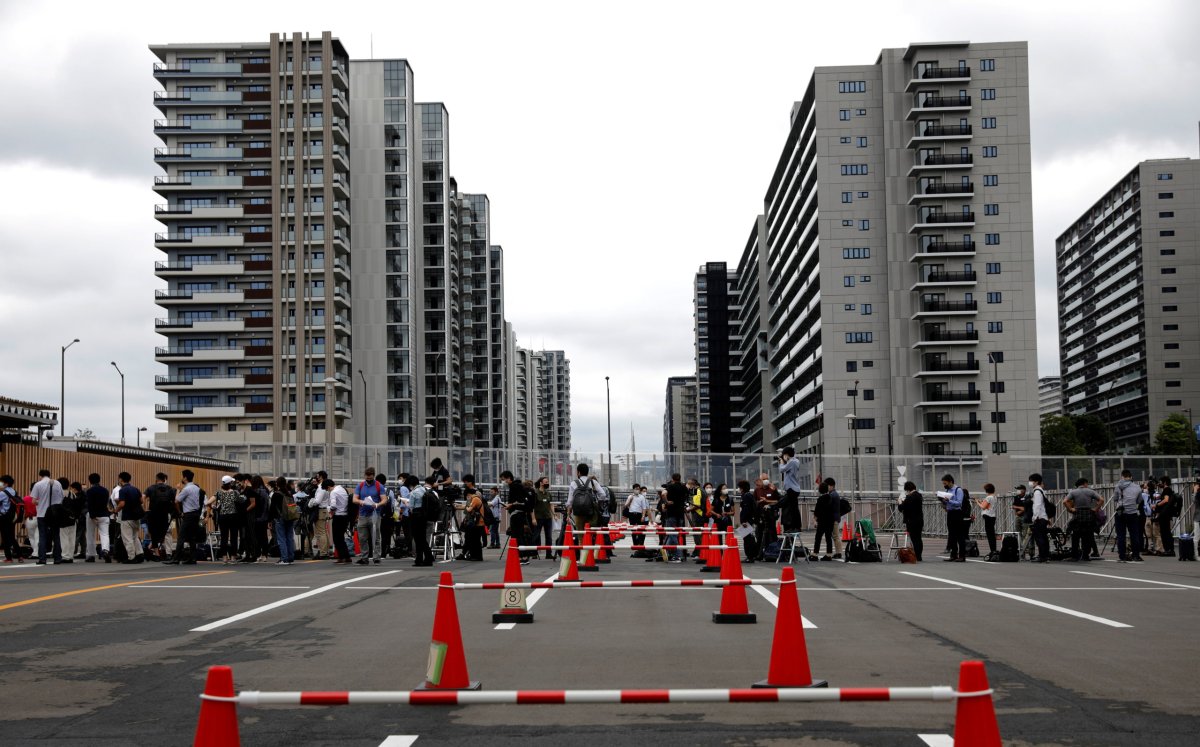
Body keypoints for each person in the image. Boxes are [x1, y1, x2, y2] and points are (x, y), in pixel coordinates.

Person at [166, 470, 203, 565]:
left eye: (183, 477)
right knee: (192, 537)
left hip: (188, 514)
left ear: (185, 478)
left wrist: (178, 489)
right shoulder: (196, 488)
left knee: (181, 536)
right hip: (195, 514)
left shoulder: (186, 489)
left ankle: (176, 558)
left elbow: (176, 500)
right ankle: (192, 558)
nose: (182, 478)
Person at [500, 471, 534, 564]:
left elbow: (519, 501)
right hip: (521, 513)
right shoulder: (519, 486)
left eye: (503, 480)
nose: (504, 482)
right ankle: (521, 556)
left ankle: (522, 557)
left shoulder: (514, 486)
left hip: (516, 513)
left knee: (516, 535)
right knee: (519, 535)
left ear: (508, 478)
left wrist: (510, 505)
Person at [1064, 477, 1101, 562]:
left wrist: (1071, 509)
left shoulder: (1073, 492)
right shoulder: (1090, 491)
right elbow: (1101, 499)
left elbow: (1065, 501)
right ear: (1085, 483)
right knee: (1087, 537)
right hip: (1088, 516)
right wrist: (1095, 509)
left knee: (1076, 536)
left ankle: (1075, 556)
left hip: (1078, 516)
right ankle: (1085, 556)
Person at [353, 467, 384, 565]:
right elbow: (354, 499)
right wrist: (361, 501)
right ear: (364, 476)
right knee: (362, 538)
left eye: (370, 478)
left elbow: (384, 499)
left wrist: (378, 504)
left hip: (375, 515)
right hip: (362, 515)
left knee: (376, 537)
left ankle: (376, 557)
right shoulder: (360, 485)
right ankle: (364, 557)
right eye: (367, 478)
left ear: (373, 476)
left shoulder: (379, 486)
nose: (369, 480)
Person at [1112, 469, 1144, 562]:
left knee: (1121, 535)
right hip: (1133, 513)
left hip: (1120, 513)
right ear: (1131, 477)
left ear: (1122, 476)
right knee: (1134, 535)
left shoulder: (1118, 486)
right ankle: (1136, 555)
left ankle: (1122, 556)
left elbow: (1115, 499)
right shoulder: (1137, 487)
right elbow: (1139, 500)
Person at [143, 473, 176, 562]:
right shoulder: (170, 489)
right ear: (165, 479)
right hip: (165, 514)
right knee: (165, 533)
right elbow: (175, 501)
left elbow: (143, 497)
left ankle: (156, 554)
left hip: (153, 514)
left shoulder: (151, 488)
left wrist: (145, 509)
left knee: (153, 534)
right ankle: (165, 553)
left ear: (156, 479)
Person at [113, 471, 143, 564]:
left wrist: (115, 511)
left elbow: (122, 503)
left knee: (127, 538)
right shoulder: (136, 489)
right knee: (135, 537)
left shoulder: (123, 490)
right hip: (137, 517)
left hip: (127, 517)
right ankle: (140, 554)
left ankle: (131, 557)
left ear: (121, 479)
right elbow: (141, 501)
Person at [937, 474, 967, 562]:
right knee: (952, 534)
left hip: (957, 513)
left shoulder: (958, 490)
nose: (944, 485)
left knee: (960, 535)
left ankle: (962, 556)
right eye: (943, 483)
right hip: (950, 513)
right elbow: (947, 503)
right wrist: (943, 502)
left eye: (945, 483)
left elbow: (959, 503)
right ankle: (953, 554)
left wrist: (948, 500)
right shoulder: (947, 490)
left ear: (950, 481)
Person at [407, 475, 434, 566]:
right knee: (422, 538)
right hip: (424, 516)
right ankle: (427, 558)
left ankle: (420, 559)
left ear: (411, 484)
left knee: (418, 538)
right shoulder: (424, 490)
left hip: (416, 515)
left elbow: (411, 507)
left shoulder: (413, 493)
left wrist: (405, 503)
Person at [662, 473, 689, 562]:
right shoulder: (684, 487)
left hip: (671, 513)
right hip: (680, 513)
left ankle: (678, 555)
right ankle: (667, 551)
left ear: (672, 479)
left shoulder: (670, 487)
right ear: (680, 478)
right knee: (674, 534)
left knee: (672, 534)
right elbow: (687, 496)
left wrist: (667, 502)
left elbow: (663, 494)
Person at [270, 478, 296, 566]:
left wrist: (270, 520)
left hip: (279, 518)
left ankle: (284, 558)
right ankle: (290, 557)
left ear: (277, 484)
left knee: (281, 538)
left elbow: (272, 509)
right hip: (290, 518)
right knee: (289, 537)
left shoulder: (276, 494)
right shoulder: (289, 494)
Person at [325, 478, 352, 564]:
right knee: (341, 537)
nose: (327, 491)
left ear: (329, 487)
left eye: (326, 489)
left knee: (337, 538)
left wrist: (328, 508)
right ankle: (347, 557)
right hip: (345, 516)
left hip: (338, 517)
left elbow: (333, 506)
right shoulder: (341, 488)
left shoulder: (333, 492)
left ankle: (342, 557)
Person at [59, 479, 85, 563]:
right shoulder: (72, 494)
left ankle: (65, 556)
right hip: (73, 518)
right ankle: (70, 556)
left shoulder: (60, 494)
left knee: (64, 537)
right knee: (72, 537)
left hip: (63, 519)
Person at [778, 447, 803, 533]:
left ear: (787, 454)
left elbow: (782, 470)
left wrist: (781, 463)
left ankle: (796, 527)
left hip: (791, 488)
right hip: (794, 488)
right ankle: (795, 526)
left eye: (784, 455)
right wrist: (785, 461)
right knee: (793, 508)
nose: (784, 457)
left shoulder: (792, 462)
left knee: (793, 509)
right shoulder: (795, 461)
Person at [1028, 473, 1051, 563]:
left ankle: (1042, 556)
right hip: (1043, 517)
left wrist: (1034, 517)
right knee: (1044, 538)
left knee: (1039, 538)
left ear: (1036, 482)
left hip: (1039, 518)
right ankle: (1045, 555)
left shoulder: (1037, 492)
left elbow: (1037, 505)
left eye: (1031, 481)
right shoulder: (1041, 491)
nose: (1030, 483)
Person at [899, 481, 924, 561]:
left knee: (914, 539)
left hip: (911, 521)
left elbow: (901, 508)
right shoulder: (919, 495)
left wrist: (900, 502)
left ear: (907, 489)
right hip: (919, 520)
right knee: (919, 538)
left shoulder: (909, 497)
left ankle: (916, 556)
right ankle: (919, 555)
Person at [810, 482, 836, 561]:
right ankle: (829, 555)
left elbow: (817, 511)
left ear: (820, 490)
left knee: (818, 537)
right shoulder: (831, 498)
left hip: (822, 521)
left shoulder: (820, 499)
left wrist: (815, 521)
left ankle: (815, 554)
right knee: (828, 537)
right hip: (830, 521)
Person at [532, 477, 555, 559]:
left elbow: (551, 504)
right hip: (538, 518)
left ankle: (549, 554)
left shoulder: (548, 493)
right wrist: (533, 518)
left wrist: (554, 514)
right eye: (546, 482)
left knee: (549, 536)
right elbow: (532, 507)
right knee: (536, 535)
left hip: (548, 517)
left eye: (547, 482)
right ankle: (534, 553)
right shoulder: (535, 493)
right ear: (541, 483)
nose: (547, 483)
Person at [1, 475, 22, 563]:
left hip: (3, 516)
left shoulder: (2, 493)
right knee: (11, 537)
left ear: (5, 483)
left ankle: (9, 558)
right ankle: (20, 555)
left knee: (5, 537)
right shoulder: (14, 491)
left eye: (1, 482)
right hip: (12, 517)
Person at [1154, 477, 1177, 557]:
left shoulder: (1167, 490)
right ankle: (1168, 549)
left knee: (1165, 532)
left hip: (1165, 514)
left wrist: (1157, 505)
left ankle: (1169, 550)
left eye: (1161, 482)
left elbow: (1166, 500)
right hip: (1165, 514)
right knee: (1165, 532)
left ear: (1165, 482)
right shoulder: (1167, 490)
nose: (1159, 483)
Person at [624, 483, 650, 556]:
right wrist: (630, 500)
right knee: (633, 529)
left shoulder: (641, 497)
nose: (637, 490)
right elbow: (625, 505)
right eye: (636, 489)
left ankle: (639, 543)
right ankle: (635, 544)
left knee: (639, 529)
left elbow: (644, 508)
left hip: (639, 514)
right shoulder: (630, 496)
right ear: (633, 489)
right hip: (631, 514)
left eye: (638, 489)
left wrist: (643, 516)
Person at [461, 486, 485, 561]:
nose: (467, 497)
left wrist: (467, 507)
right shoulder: (476, 498)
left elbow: (469, 509)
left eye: (467, 496)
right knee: (475, 540)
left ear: (469, 494)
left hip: (478, 523)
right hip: (478, 523)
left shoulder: (475, 499)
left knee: (476, 541)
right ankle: (475, 556)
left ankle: (476, 556)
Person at [1012, 484, 1035, 560]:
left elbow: (1027, 508)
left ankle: (1031, 553)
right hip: (1018, 516)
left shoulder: (1028, 497)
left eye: (1019, 489)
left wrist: (1022, 509)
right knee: (1018, 534)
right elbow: (1013, 506)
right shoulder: (1016, 497)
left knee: (1026, 535)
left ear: (1024, 490)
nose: (1018, 491)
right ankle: (1022, 552)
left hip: (1026, 518)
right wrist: (1020, 508)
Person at [975, 483, 998, 560]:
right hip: (992, 516)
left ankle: (992, 550)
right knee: (992, 534)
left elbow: (983, 507)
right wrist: (982, 502)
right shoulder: (994, 497)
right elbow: (988, 506)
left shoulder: (988, 497)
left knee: (990, 535)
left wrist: (977, 502)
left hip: (988, 516)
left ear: (986, 490)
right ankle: (993, 550)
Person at [737, 480, 758, 562]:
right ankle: (751, 556)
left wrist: (744, 521)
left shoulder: (746, 496)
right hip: (749, 520)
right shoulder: (748, 495)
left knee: (748, 539)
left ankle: (750, 556)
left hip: (747, 521)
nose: (738, 489)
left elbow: (746, 509)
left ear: (742, 488)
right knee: (749, 538)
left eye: (739, 487)